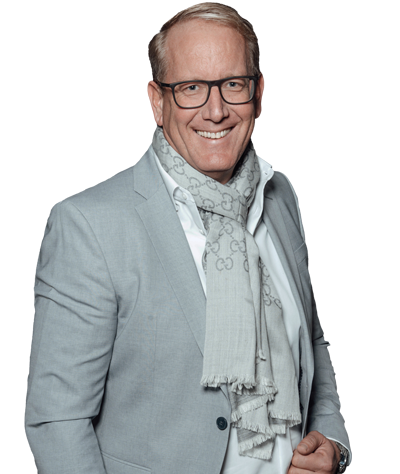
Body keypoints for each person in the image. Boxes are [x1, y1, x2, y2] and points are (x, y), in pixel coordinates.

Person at [25, 4, 350, 474]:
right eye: (191, 88)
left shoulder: (279, 197)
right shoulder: (91, 226)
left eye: (232, 84)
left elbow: (312, 342)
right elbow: (57, 420)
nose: (215, 111)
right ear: (158, 101)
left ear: (257, 93)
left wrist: (334, 445)